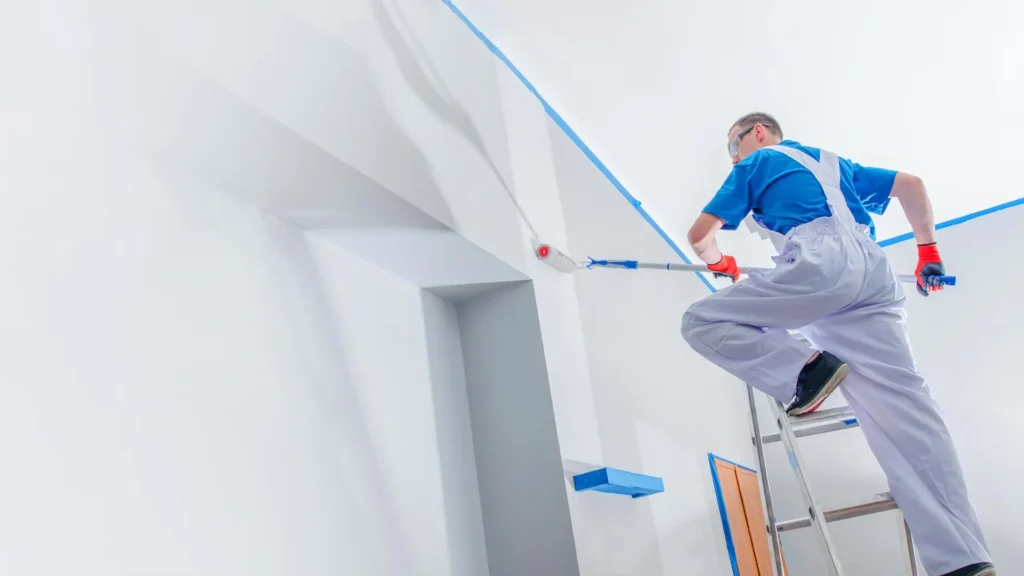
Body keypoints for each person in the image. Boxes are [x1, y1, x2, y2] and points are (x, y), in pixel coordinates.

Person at [680, 112, 993, 576]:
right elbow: (911, 185)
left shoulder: (758, 160)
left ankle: (808, 371)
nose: (733, 158)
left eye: (733, 147)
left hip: (822, 266)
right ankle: (963, 560)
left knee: (702, 320)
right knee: (907, 415)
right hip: (874, 274)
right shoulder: (833, 164)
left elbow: (699, 235)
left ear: (757, 133)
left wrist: (721, 261)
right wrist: (928, 250)